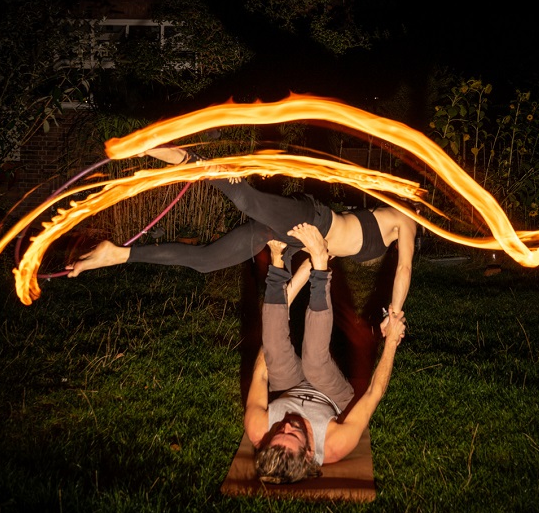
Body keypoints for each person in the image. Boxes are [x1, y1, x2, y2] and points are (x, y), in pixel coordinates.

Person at [66, 145, 418, 316]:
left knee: (207, 262)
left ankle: (119, 253)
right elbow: (403, 269)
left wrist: (284, 301)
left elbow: (320, 259)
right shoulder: (405, 218)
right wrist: (396, 311)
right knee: (245, 199)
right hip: (312, 217)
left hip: (301, 240)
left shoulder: (381, 223)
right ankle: (168, 153)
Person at [243, 222, 406, 483]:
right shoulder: (334, 445)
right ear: (309, 453)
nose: (286, 424)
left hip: (290, 384)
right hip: (331, 394)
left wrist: (290, 287)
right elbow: (374, 393)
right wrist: (392, 342)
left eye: (278, 432)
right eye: (293, 434)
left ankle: (277, 260)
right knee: (315, 363)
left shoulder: (258, 428)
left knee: (273, 350)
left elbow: (262, 374)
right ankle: (321, 266)